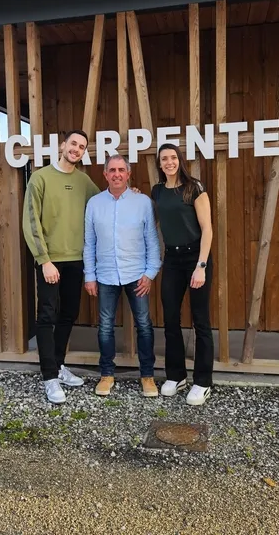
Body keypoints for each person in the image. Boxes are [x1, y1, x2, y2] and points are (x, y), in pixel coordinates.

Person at [22, 130, 100, 404]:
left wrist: (129, 194)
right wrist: (44, 260)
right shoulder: (40, 177)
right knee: (46, 316)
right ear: (63, 145)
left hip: (75, 260)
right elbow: (31, 222)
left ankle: (58, 365)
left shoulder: (83, 181)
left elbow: (102, 204)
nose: (76, 149)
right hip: (50, 261)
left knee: (68, 314)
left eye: (81, 146)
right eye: (73, 144)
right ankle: (49, 378)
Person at [83, 155, 161, 398]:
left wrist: (150, 273)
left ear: (128, 174)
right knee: (105, 326)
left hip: (137, 274)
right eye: (111, 170)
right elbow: (89, 243)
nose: (116, 174)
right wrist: (90, 275)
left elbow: (152, 240)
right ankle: (107, 374)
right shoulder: (94, 203)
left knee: (144, 326)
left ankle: (147, 376)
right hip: (105, 275)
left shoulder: (142, 202)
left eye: (121, 170)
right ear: (105, 175)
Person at [150, 143, 214, 406]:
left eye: (173, 157)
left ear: (180, 160)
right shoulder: (157, 191)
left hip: (195, 257)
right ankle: (176, 376)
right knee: (171, 320)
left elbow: (207, 229)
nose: (169, 162)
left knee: (200, 320)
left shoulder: (194, 187)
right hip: (173, 259)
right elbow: (152, 219)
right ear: (160, 164)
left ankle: (203, 381)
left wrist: (201, 266)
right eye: (164, 159)